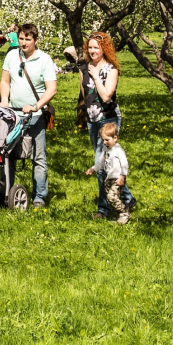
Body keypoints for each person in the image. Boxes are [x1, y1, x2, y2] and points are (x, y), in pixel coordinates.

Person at [0, 22, 59, 208]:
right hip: (12, 115)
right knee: (7, 155)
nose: (24, 43)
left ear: (36, 40)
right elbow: (4, 81)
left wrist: (36, 106)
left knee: (38, 158)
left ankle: (39, 197)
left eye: (28, 39)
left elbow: (52, 89)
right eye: (22, 38)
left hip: (35, 116)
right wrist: (4, 100)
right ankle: (6, 193)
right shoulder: (11, 55)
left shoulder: (44, 60)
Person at [78, 32, 121, 215]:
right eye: (90, 47)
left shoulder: (111, 70)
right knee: (102, 163)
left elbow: (105, 96)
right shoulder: (84, 68)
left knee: (103, 163)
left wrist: (96, 76)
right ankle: (124, 199)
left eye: (96, 47)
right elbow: (84, 95)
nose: (92, 50)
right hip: (92, 120)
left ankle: (105, 208)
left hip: (108, 119)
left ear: (105, 49)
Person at [84, 121, 134, 223]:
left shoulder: (118, 150)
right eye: (103, 140)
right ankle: (117, 216)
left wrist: (122, 177)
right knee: (109, 199)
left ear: (115, 138)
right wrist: (93, 169)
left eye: (107, 140)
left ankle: (124, 213)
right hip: (108, 179)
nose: (104, 142)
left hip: (117, 178)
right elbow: (100, 162)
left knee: (112, 197)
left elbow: (124, 164)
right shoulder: (105, 149)